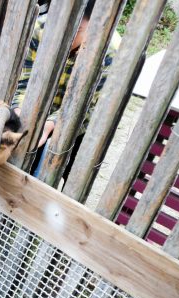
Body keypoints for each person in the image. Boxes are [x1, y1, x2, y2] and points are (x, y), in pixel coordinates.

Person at [12, 0, 121, 182]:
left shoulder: (110, 52)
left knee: (70, 176)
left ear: (94, 26)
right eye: (60, 27)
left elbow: (86, 105)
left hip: (80, 123)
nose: (64, 37)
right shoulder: (39, 29)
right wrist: (21, 114)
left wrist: (48, 126)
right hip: (38, 108)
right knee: (24, 166)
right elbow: (25, 81)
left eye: (76, 31)